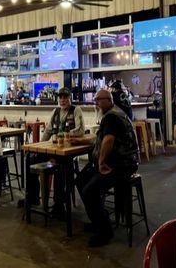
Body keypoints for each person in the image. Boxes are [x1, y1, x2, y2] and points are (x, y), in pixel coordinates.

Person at [72, 89, 139, 247]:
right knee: (81, 180)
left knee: (90, 191)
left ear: (109, 100)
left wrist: (101, 162)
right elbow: (101, 138)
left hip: (121, 165)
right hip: (119, 162)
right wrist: (80, 142)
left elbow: (108, 140)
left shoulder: (111, 116)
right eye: (95, 100)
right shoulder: (114, 113)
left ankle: (105, 231)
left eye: (99, 100)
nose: (96, 103)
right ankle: (98, 221)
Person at [28, 87, 84, 215]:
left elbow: (80, 130)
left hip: (68, 151)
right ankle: (33, 197)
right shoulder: (56, 111)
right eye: (61, 97)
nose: (63, 100)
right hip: (53, 150)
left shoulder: (76, 110)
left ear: (70, 98)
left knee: (60, 168)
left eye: (65, 97)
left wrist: (65, 134)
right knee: (30, 160)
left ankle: (59, 204)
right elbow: (48, 130)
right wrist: (40, 146)